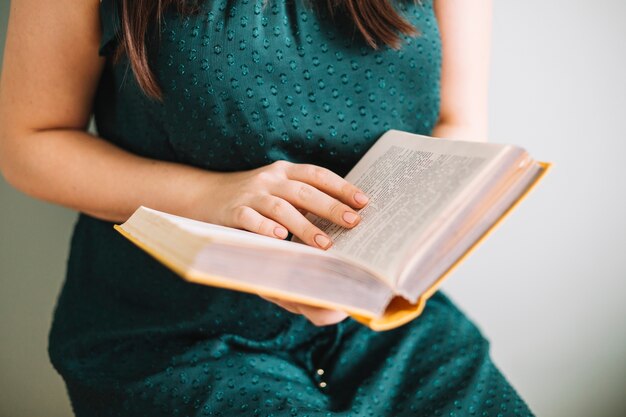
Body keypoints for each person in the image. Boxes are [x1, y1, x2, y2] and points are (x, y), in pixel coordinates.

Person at [0, 0, 534, 415]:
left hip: (387, 324)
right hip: (170, 334)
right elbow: (29, 143)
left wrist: (382, 269)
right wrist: (210, 197)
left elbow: (459, 124)